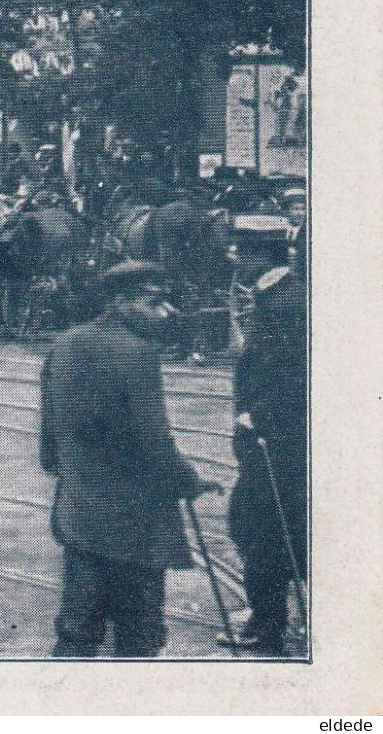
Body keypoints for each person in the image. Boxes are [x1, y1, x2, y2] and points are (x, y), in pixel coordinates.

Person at [38, 260, 218, 657]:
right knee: (139, 630)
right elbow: (153, 437)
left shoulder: (65, 342)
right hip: (136, 518)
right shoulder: (137, 352)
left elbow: (48, 437)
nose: (166, 312)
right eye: (154, 303)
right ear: (120, 302)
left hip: (79, 510)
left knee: (78, 625)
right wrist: (186, 479)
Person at [225, 239, 308, 655]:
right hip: (272, 439)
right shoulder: (275, 296)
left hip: (276, 442)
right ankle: (269, 619)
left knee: (258, 529)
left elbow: (296, 372)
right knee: (267, 529)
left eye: (242, 253)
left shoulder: (283, 303)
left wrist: (259, 416)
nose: (234, 259)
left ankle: (268, 625)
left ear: (263, 256)